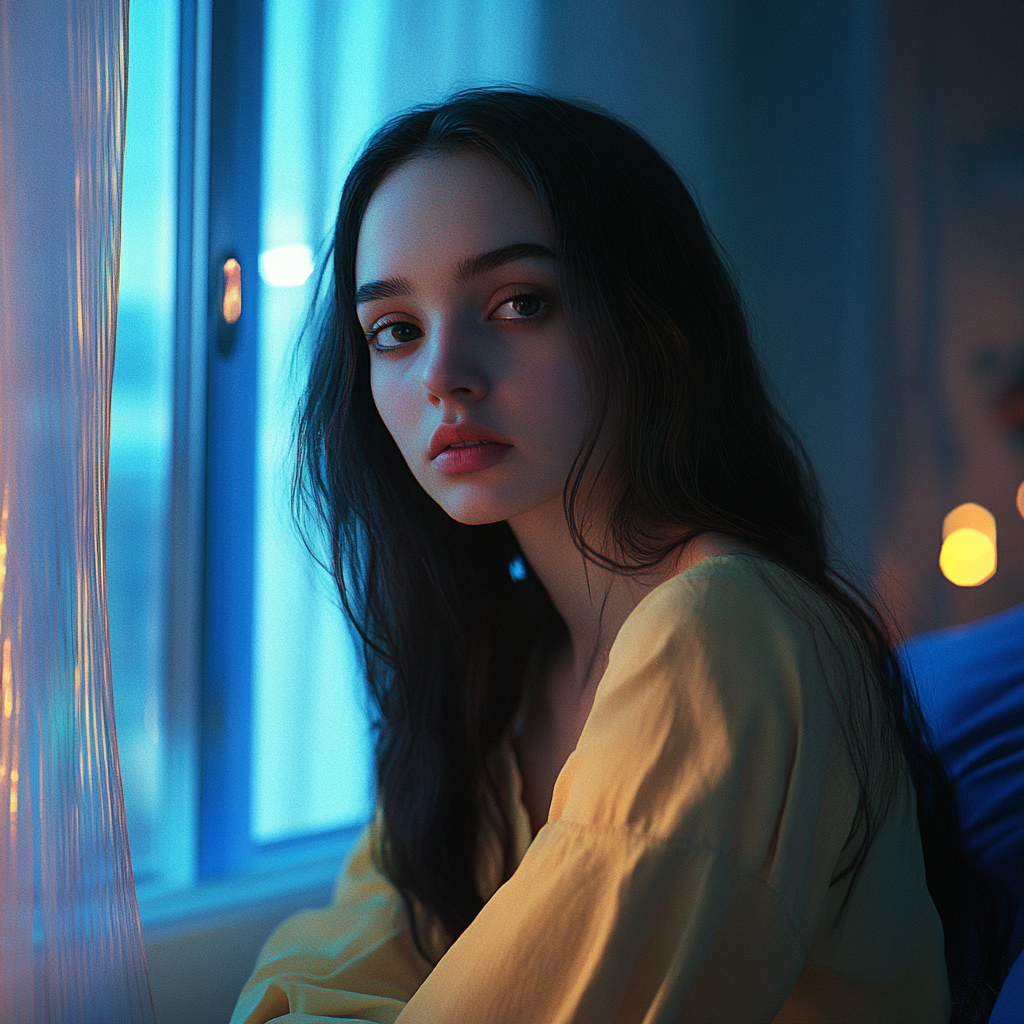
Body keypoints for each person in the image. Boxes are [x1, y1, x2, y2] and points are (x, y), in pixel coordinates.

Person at [232, 89, 1000, 1023]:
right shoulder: (491, 678)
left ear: (648, 323)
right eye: (396, 330)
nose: (442, 376)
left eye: (520, 302)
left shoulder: (727, 633)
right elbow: (332, 965)